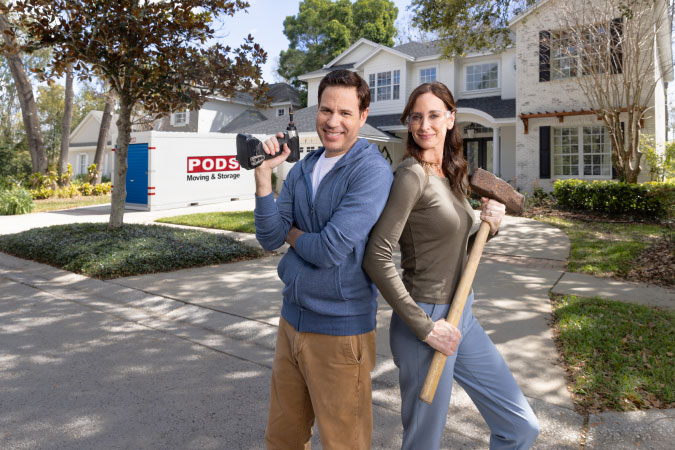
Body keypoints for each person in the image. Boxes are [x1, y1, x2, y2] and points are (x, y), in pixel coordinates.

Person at [363, 82, 539, 450]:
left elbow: (456, 248)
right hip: (423, 321)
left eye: (433, 115)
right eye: (416, 117)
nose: (424, 125)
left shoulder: (452, 175)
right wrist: (425, 329)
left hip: (462, 313)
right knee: (423, 443)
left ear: (450, 119)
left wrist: (489, 228)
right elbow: (376, 256)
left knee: (520, 427)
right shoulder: (411, 176)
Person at [253, 69, 394, 450]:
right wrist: (264, 177)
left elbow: (330, 250)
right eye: (326, 110)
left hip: (341, 332)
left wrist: (293, 233)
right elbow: (268, 237)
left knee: (343, 444)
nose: (333, 121)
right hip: (291, 323)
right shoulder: (302, 168)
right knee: (282, 439)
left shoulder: (371, 171)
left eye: (346, 113)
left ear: (363, 116)